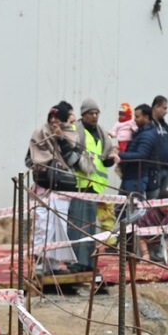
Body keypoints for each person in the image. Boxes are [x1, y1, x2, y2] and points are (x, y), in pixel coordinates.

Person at [25, 102, 81, 278]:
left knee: (59, 228)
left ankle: (53, 265)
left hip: (62, 190)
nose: (54, 121)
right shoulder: (39, 134)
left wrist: (61, 139)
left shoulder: (72, 135)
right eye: (52, 117)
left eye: (58, 117)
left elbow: (71, 160)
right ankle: (38, 263)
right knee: (43, 226)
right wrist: (42, 161)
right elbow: (28, 160)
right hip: (43, 188)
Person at [117, 103, 167, 262]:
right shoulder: (140, 132)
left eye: (137, 117)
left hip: (136, 179)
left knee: (131, 216)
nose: (135, 119)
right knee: (122, 212)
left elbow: (141, 154)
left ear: (146, 117)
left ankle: (131, 251)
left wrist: (120, 156)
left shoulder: (148, 135)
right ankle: (127, 249)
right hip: (131, 177)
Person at [71, 99, 116, 269]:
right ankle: (77, 263)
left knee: (90, 228)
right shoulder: (76, 131)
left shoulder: (102, 133)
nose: (95, 116)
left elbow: (103, 159)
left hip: (96, 187)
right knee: (78, 226)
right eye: (91, 113)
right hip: (80, 185)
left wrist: (110, 160)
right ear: (83, 114)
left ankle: (88, 263)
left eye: (97, 113)